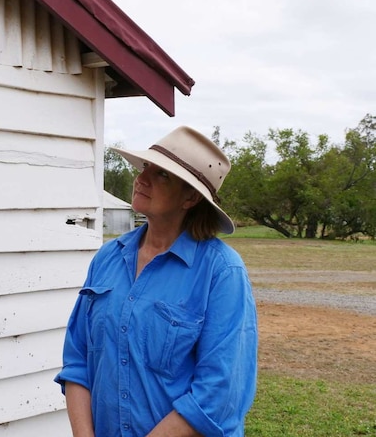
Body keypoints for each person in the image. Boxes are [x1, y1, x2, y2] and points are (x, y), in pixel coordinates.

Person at [55, 126, 258, 437]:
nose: (142, 178)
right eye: (146, 166)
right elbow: (77, 359)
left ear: (190, 197)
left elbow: (218, 395)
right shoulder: (108, 258)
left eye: (162, 175)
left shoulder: (222, 272)